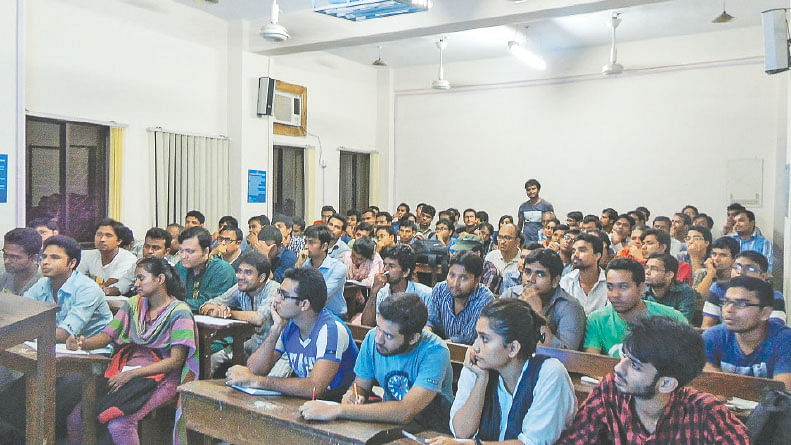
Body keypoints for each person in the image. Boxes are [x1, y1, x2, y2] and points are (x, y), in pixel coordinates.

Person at [65, 257, 198, 445]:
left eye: (141, 278)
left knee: (120, 425)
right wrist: (82, 343)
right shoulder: (134, 304)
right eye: (135, 279)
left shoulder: (179, 312)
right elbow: (107, 335)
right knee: (76, 418)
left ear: (160, 280)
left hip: (162, 377)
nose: (136, 284)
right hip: (126, 372)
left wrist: (132, 375)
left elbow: (175, 362)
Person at [557, 317, 749, 444]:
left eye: (634, 365)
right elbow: (574, 440)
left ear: (666, 384)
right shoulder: (611, 391)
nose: (618, 368)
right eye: (624, 357)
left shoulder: (707, 414)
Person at [298, 293, 454, 433]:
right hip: (389, 423)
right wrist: (353, 396)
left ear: (413, 338)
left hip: (432, 430)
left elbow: (406, 411)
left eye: (388, 335)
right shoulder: (373, 338)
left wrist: (339, 409)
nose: (378, 339)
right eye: (378, 328)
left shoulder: (436, 351)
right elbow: (360, 385)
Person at [427, 299, 576, 445]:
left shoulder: (550, 374)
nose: (475, 347)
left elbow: (532, 443)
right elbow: (461, 432)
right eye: (477, 336)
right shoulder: (478, 365)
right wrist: (481, 379)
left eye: (485, 339)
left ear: (513, 349)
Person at [225, 267, 358, 401]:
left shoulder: (331, 330)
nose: (276, 300)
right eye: (278, 293)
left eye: (283, 295)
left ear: (304, 304)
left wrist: (257, 381)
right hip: (309, 404)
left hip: (340, 404)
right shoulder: (290, 325)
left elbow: (314, 388)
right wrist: (276, 330)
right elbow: (254, 370)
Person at [583, 258, 687, 357]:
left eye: (623, 287)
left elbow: (688, 363)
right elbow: (592, 364)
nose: (615, 294)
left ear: (641, 288)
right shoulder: (597, 319)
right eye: (610, 287)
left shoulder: (672, 318)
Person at [200, 252, 281, 376]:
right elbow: (210, 303)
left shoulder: (274, 289)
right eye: (239, 271)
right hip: (247, 345)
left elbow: (259, 318)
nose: (240, 276)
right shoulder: (241, 287)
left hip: (272, 350)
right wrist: (214, 310)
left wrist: (229, 313)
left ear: (262, 278)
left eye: (248, 272)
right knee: (211, 360)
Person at [703, 276, 791, 389]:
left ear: (765, 313)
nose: (729, 309)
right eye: (726, 302)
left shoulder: (785, 341)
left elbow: (783, 395)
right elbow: (709, 388)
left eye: (741, 304)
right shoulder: (712, 337)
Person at [500, 249, 586, 350]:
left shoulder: (570, 307)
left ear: (555, 281)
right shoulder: (511, 295)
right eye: (527, 272)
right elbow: (493, 333)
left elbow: (566, 355)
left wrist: (537, 314)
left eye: (540, 274)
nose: (531, 279)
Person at [702, 250, 786, 328]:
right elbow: (707, 326)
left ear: (763, 276)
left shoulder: (774, 296)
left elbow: (775, 331)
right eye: (737, 267)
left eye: (750, 269)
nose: (741, 272)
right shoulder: (719, 289)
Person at [427, 251, 495, 345]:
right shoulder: (440, 290)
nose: (455, 283)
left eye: (463, 278)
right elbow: (430, 321)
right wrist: (428, 336)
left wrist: (437, 345)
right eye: (452, 275)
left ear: (477, 280)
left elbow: (468, 338)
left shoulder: (485, 299)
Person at [360, 244, 431, 326]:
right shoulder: (381, 292)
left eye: (391, 266)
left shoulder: (425, 294)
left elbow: (428, 328)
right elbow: (366, 325)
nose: (385, 270)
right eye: (385, 265)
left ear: (405, 272)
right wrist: (373, 294)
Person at [174, 226, 237, 312]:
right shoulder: (180, 267)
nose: (183, 256)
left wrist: (174, 303)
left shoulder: (222, 270)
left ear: (206, 251)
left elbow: (209, 303)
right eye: (181, 251)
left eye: (190, 251)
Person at [295, 224, 349, 317]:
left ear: (324, 246)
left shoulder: (338, 268)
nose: (306, 246)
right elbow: (292, 289)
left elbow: (321, 296)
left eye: (311, 243)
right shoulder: (304, 264)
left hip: (334, 316)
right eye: (306, 242)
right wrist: (298, 265)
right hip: (309, 314)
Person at [77, 218, 138, 296]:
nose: (102, 239)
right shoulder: (86, 255)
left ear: (119, 241)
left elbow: (111, 283)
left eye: (108, 235)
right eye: (99, 234)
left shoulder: (128, 259)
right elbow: (77, 281)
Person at [560, 233, 608, 316]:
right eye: (573, 251)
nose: (575, 254)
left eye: (582, 250)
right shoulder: (566, 281)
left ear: (597, 256)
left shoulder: (609, 282)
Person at [642, 253, 699, 323]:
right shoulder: (641, 290)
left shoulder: (685, 292)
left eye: (654, 269)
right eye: (647, 267)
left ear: (669, 275)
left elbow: (682, 323)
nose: (647, 272)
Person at [340, 236, 383, 315]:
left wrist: (359, 284)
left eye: (360, 259)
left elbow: (371, 281)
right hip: (348, 292)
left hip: (368, 294)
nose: (355, 260)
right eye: (353, 255)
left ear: (367, 258)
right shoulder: (347, 256)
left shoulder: (375, 260)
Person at [0, 228, 42, 295]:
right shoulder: (5, 276)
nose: (6, 261)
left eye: (14, 257)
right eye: (5, 254)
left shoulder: (43, 283)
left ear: (33, 258)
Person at [517, 179, 554, 243]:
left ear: (538, 190)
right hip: (527, 241)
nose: (531, 191)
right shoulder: (523, 207)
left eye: (533, 189)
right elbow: (520, 225)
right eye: (528, 190)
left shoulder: (546, 205)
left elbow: (552, 224)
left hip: (542, 240)